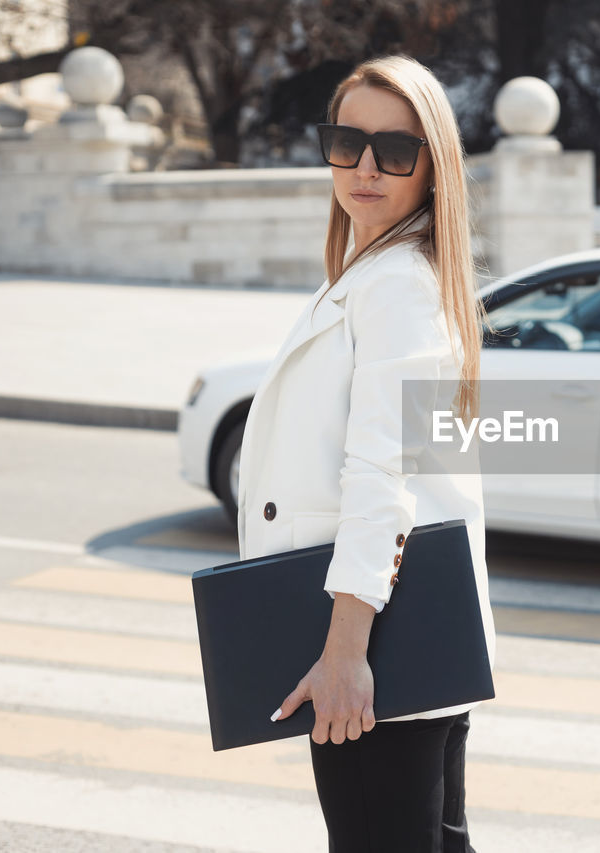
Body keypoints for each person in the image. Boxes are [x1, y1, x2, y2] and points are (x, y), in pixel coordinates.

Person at [237, 54, 495, 851]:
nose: (366, 168)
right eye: (346, 142)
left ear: (434, 165)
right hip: (395, 640)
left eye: (396, 150)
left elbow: (384, 475)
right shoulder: (381, 272)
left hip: (371, 644)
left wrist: (345, 652)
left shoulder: (397, 287)